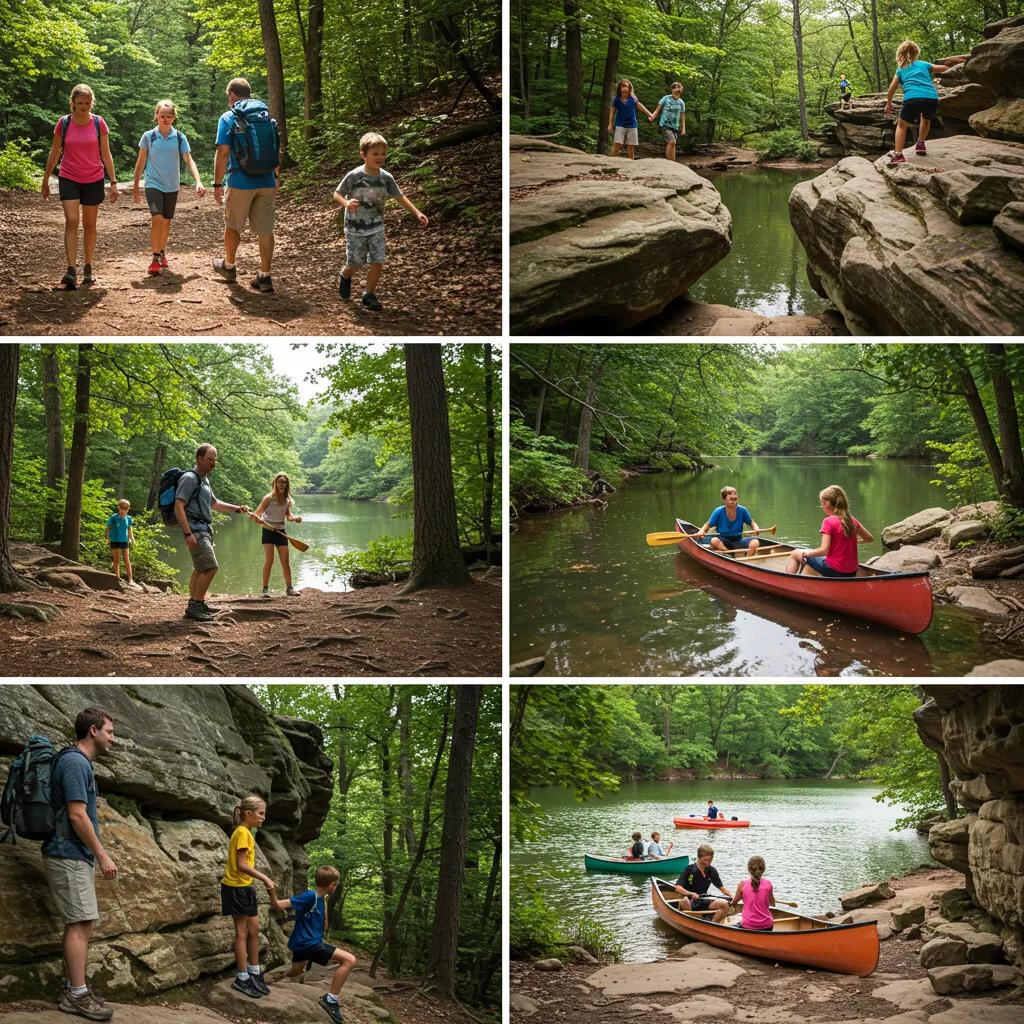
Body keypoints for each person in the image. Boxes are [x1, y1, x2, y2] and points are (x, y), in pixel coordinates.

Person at [42, 707, 118, 1021]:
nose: (113, 738)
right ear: (93, 731)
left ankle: (75, 987)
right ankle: (76, 994)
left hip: (72, 854)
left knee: (81, 921)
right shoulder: (75, 762)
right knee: (79, 922)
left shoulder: (78, 762)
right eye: (110, 732)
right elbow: (76, 815)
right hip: (68, 852)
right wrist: (102, 854)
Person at [334, 131, 429, 312]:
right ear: (363, 155)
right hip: (355, 228)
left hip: (376, 226)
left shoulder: (386, 177)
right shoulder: (354, 175)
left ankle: (369, 294)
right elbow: (337, 193)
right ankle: (345, 275)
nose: (380, 157)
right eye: (375, 154)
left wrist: (417, 213)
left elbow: (399, 197)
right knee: (356, 263)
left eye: (383, 154)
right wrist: (346, 202)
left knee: (377, 260)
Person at [40, 84, 119, 290]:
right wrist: (46, 179)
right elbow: (54, 151)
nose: (83, 107)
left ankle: (88, 266)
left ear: (91, 103)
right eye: (79, 103)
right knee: (72, 220)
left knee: (90, 224)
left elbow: (106, 153)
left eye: (87, 103)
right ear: (72, 103)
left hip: (93, 178)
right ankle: (71, 270)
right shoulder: (63, 123)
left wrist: (113, 181)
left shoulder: (98, 123)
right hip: (69, 177)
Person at [212, 78, 280, 293]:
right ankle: (265, 275)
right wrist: (276, 177)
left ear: (231, 94)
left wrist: (217, 183)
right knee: (265, 230)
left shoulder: (229, 117)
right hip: (267, 180)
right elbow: (276, 148)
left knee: (233, 225)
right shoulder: (266, 116)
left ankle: (229, 266)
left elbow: (223, 152)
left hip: (240, 181)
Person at [268, 865, 357, 1024]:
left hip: (303, 943)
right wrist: (271, 891)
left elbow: (322, 924)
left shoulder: (321, 898)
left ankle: (270, 978)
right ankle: (331, 1000)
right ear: (332, 885)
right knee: (349, 960)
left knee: (296, 970)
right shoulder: (310, 896)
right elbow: (278, 905)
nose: (336, 886)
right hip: (309, 944)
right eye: (336, 884)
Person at [173, 443, 251, 622]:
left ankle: (195, 604)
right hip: (196, 530)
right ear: (199, 458)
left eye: (214, 460)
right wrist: (187, 533)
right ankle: (196, 606)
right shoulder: (189, 478)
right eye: (209, 460)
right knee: (210, 567)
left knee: (200, 568)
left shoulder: (204, 479)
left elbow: (214, 503)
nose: (213, 463)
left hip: (203, 530)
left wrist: (237, 509)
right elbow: (179, 505)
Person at [132, 99, 206, 275]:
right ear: (156, 116)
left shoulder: (179, 137)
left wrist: (198, 181)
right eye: (162, 115)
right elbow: (140, 161)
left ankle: (162, 252)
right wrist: (136, 186)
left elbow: (189, 160)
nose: (165, 118)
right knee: (157, 218)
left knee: (166, 221)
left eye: (169, 116)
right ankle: (155, 257)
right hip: (153, 184)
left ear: (174, 118)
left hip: (172, 186)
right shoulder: (149, 136)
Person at [222, 795, 275, 998]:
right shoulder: (242, 832)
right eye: (261, 814)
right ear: (248, 813)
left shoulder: (247, 832)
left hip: (245, 887)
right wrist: (265, 878)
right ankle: (242, 978)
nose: (263, 818)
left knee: (254, 928)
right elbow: (241, 865)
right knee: (242, 932)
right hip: (235, 888)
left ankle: (254, 972)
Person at [884, 42, 964, 165]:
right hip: (931, 98)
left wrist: (889, 103)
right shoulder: (924, 64)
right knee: (926, 119)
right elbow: (945, 69)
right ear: (916, 53)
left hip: (912, 99)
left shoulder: (900, 69)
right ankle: (920, 144)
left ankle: (898, 154)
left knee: (901, 126)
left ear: (900, 54)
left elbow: (892, 88)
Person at [784, 484, 873, 577]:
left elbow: (824, 550)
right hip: (852, 571)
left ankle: (787, 580)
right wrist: (858, 541)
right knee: (821, 557)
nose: (822, 507)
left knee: (795, 553)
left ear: (827, 503)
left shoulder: (828, 521)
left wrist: (807, 553)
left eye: (822, 503)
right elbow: (869, 538)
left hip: (833, 570)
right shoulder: (852, 520)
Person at [251, 472, 302, 596]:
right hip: (268, 531)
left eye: (284, 482)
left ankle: (290, 588)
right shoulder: (268, 498)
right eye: (280, 482)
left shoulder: (287, 500)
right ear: (275, 483)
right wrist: (261, 521)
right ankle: (265, 590)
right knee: (269, 560)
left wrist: (295, 518)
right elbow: (256, 515)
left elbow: (288, 516)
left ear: (287, 484)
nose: (282, 484)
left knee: (285, 561)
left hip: (281, 531)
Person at [695, 486, 762, 558]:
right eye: (730, 493)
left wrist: (756, 528)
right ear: (724, 499)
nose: (733, 495)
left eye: (735, 493)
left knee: (755, 542)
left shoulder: (743, 510)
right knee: (714, 541)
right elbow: (707, 525)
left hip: (738, 540)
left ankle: (746, 560)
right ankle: (728, 554)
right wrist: (702, 531)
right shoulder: (718, 511)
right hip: (723, 541)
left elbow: (751, 522)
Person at [673, 844, 733, 923]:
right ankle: (689, 923)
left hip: (703, 899)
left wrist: (732, 896)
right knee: (685, 900)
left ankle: (712, 926)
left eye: (710, 860)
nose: (709, 862)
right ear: (699, 857)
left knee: (725, 904)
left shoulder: (712, 871)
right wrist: (690, 893)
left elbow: (722, 888)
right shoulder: (689, 870)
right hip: (689, 900)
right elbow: (678, 888)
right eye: (706, 860)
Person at [608, 80, 653, 160]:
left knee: (630, 145)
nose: (625, 88)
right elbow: (612, 113)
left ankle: (631, 163)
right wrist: (610, 124)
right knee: (617, 144)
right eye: (623, 86)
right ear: (620, 87)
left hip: (632, 125)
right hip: (620, 124)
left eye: (627, 87)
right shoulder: (616, 99)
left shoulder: (633, 98)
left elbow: (640, 106)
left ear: (630, 88)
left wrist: (650, 114)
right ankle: (612, 162)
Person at [730, 855, 775, 931]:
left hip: (748, 925)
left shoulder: (742, 884)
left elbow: (734, 903)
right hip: (767, 926)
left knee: (730, 928)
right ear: (763, 869)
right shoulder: (768, 884)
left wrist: (733, 904)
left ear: (749, 869)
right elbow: (773, 904)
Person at [648, 82, 686, 162]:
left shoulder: (681, 102)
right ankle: (668, 162)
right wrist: (653, 116)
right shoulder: (666, 98)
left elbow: (682, 116)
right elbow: (658, 109)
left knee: (673, 144)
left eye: (679, 90)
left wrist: (683, 128)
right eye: (675, 89)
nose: (677, 91)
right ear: (672, 90)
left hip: (675, 126)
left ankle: (673, 162)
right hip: (665, 124)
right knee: (672, 141)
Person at [105, 499, 135, 587]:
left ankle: (130, 580)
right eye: (122, 508)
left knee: (127, 560)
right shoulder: (114, 517)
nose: (123, 510)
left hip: (124, 541)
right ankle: (117, 579)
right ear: (119, 507)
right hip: (115, 540)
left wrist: (132, 538)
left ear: (128, 509)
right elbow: (108, 529)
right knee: (116, 561)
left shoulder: (128, 518)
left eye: (125, 508)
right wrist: (107, 538)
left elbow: (129, 528)